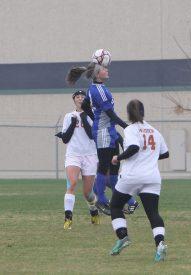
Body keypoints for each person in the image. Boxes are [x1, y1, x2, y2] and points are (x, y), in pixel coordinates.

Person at [65, 60, 139, 215]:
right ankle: (101, 200)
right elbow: (111, 114)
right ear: (98, 74)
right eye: (104, 68)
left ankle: (124, 201)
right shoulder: (99, 90)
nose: (107, 70)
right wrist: (128, 127)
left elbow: (86, 106)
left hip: (108, 130)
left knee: (113, 170)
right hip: (103, 133)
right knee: (104, 167)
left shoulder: (96, 88)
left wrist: (98, 120)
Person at [109, 99, 169, 262]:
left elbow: (134, 148)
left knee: (115, 206)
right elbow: (165, 154)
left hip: (132, 176)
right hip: (152, 177)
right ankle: (160, 245)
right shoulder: (154, 131)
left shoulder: (130, 129)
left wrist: (118, 158)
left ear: (128, 114)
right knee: (153, 213)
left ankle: (123, 236)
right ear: (143, 112)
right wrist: (149, 156)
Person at [56, 90, 100, 229]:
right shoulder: (69, 116)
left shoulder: (92, 114)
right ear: (74, 100)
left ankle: (93, 210)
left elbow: (91, 135)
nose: (80, 98)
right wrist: (73, 123)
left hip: (90, 155)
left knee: (87, 193)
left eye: (83, 97)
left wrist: (84, 117)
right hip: (73, 155)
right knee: (72, 184)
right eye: (77, 97)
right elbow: (66, 138)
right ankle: (68, 218)